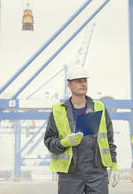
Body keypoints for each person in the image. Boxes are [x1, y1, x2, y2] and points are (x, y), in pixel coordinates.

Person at [44, 65, 119, 194]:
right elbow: (49, 142)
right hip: (70, 175)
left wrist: (113, 165)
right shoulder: (58, 110)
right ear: (69, 85)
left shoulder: (99, 107)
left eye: (85, 80)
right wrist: (64, 142)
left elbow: (109, 139)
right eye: (79, 81)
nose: (83, 84)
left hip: (97, 173)